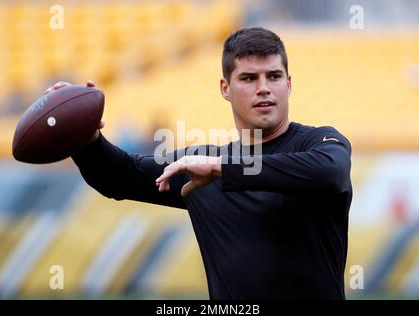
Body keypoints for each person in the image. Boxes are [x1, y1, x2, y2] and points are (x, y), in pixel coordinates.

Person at [44, 27, 352, 299]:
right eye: (248, 78)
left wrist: (222, 169)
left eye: (273, 76)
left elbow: (330, 172)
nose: (263, 88)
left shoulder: (319, 143)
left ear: (289, 84)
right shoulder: (200, 166)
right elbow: (119, 176)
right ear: (225, 89)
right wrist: (85, 137)